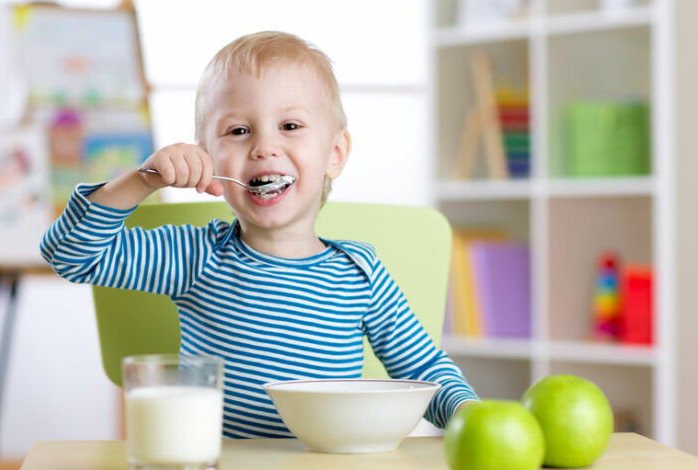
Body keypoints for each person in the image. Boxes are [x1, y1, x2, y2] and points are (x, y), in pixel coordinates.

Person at [40, 31, 478, 438]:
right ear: (208, 160)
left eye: (290, 126)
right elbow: (70, 254)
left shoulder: (362, 274)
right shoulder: (194, 256)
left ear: (335, 153)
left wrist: (469, 414)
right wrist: (144, 179)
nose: (264, 147)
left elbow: (424, 369)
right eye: (238, 131)